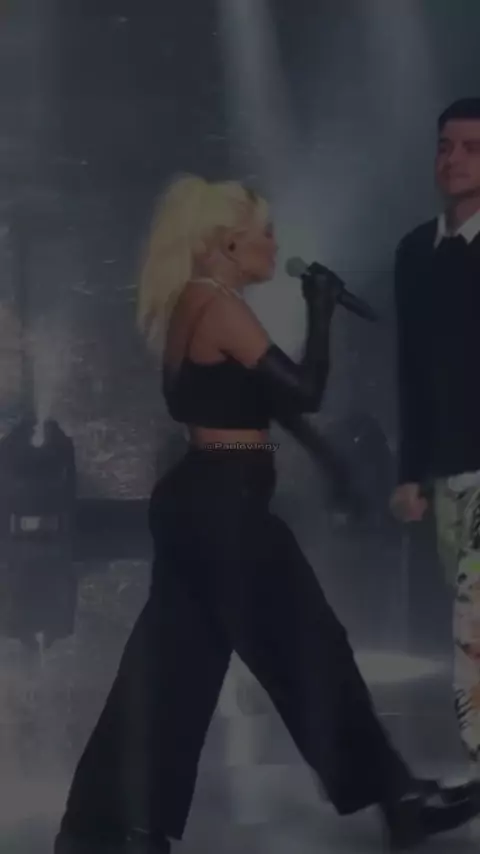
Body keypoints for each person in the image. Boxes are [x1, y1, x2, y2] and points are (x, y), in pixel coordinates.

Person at [56, 175, 480, 854]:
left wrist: (333, 467)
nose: (275, 246)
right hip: (224, 509)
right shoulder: (217, 306)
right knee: (311, 648)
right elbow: (305, 391)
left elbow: (269, 403)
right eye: (266, 233)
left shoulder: (194, 301)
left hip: (204, 503)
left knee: (171, 669)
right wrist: (320, 309)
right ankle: (400, 800)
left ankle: (112, 826)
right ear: (228, 243)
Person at [391, 98, 480, 781]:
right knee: (465, 616)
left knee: (473, 625)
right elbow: (412, 369)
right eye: (445, 146)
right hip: (448, 467)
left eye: (472, 148)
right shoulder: (415, 251)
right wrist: (411, 472)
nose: (454, 160)